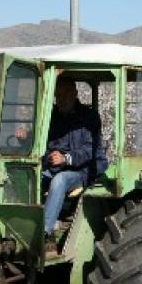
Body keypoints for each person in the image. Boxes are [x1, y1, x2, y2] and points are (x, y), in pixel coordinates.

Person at [41, 75, 106, 251]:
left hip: (83, 170)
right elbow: (44, 145)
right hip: (55, 166)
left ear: (75, 93)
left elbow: (89, 150)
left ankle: (44, 234)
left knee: (59, 181)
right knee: (29, 177)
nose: (62, 97)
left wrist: (66, 158)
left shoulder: (89, 117)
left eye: (66, 92)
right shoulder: (51, 116)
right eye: (58, 94)